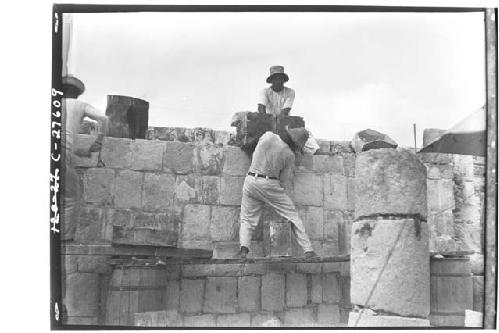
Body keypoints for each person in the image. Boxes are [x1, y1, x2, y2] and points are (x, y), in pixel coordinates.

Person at [236, 126, 318, 259]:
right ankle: (308, 250)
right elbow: (283, 179)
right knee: (292, 216)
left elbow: (251, 146)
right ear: (296, 144)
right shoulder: (289, 155)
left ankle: (243, 250)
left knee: (247, 219)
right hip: (270, 184)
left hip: (250, 180)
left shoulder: (268, 135)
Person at [61, 75, 108, 241]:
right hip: (63, 156)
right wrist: (98, 142)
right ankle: (64, 239)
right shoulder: (79, 105)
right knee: (71, 198)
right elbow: (103, 118)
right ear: (77, 93)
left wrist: (81, 151)